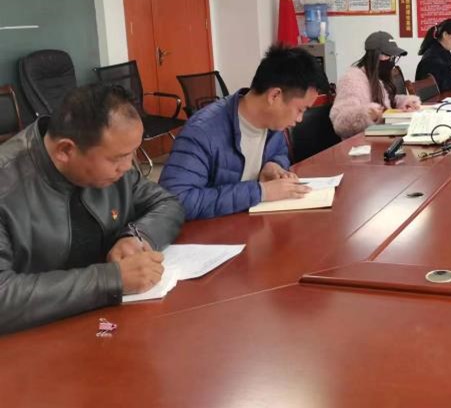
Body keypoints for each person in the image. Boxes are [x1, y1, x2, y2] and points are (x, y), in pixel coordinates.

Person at [0, 84, 184, 334]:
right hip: (35, 338)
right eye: (117, 158)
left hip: (108, 322)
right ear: (66, 150)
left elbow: (167, 203)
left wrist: (135, 237)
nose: (128, 167)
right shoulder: (7, 185)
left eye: (132, 154)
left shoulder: (116, 171)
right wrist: (111, 279)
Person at [160, 44, 323, 220]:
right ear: (274, 96)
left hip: (253, 222)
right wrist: (260, 192)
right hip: (215, 230)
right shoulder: (201, 132)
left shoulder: (273, 124)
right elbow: (175, 202)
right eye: (300, 110)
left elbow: (280, 152)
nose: (300, 119)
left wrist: (273, 165)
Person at [330, 31, 421, 139]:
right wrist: (366, 114)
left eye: (393, 57)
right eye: (388, 56)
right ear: (374, 55)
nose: (391, 61)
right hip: (359, 143)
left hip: (379, 137)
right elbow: (339, 122)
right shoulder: (352, 79)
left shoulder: (376, 78)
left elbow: (384, 103)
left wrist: (403, 102)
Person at [415, 18, 451, 92]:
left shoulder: (442, 51)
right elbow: (436, 84)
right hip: (433, 99)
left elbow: (445, 75)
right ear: (445, 34)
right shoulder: (432, 56)